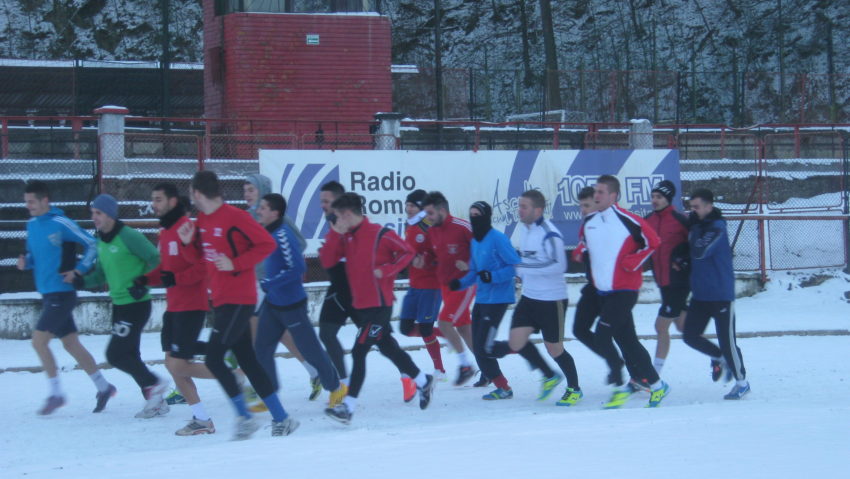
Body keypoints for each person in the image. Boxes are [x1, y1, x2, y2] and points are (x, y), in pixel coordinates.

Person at [177, 170, 298, 439]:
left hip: (240, 299)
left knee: (214, 358)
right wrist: (187, 244)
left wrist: (236, 263)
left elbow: (266, 244)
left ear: (197, 193)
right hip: (220, 299)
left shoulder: (236, 217)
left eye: (190, 192)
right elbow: (200, 259)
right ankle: (282, 418)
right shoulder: (203, 221)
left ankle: (244, 417)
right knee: (248, 361)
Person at [320, 193, 435, 424]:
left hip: (380, 306)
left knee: (359, 351)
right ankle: (423, 381)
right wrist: (335, 233)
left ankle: (348, 408)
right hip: (362, 307)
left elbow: (407, 252)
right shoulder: (347, 237)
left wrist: (388, 270)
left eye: (341, 215)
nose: (338, 219)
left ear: (350, 213)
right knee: (389, 348)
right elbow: (327, 261)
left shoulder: (380, 234)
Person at [17, 180, 115, 415]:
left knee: (38, 341)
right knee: (71, 343)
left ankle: (56, 393)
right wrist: (25, 263)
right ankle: (104, 387)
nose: (28, 205)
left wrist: (80, 270)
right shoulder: (31, 225)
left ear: (45, 201)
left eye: (32, 201)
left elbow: (92, 243)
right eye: (26, 202)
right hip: (48, 294)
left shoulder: (60, 222)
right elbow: (34, 257)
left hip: (62, 293)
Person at [578, 175, 669, 409]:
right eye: (595, 192)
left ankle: (618, 388)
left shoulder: (629, 220)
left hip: (625, 290)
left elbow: (654, 242)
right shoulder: (590, 222)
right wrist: (580, 251)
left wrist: (633, 262)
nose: (596, 196)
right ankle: (657, 386)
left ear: (613, 196)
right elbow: (586, 244)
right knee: (628, 341)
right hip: (603, 293)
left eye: (600, 192)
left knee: (602, 335)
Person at [488, 190, 582, 406]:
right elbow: (526, 261)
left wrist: (523, 267)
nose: (519, 210)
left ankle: (574, 388)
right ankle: (549, 376)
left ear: (537, 210)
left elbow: (559, 265)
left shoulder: (550, 234)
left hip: (552, 300)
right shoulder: (526, 230)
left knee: (554, 349)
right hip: (529, 298)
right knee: (516, 341)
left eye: (524, 207)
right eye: (519, 206)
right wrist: (520, 273)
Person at [253, 193, 348, 408]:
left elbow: (298, 268)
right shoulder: (268, 232)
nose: (259, 211)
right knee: (262, 348)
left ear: (275, 212)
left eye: (264, 208)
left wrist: (271, 282)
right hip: (273, 303)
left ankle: (336, 387)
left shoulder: (283, 235)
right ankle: (270, 396)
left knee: (310, 349)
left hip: (291, 304)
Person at [81, 194, 168, 418]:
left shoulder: (129, 236)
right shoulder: (101, 240)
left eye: (98, 213)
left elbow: (155, 259)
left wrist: (144, 282)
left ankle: (154, 383)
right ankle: (156, 402)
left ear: (110, 214)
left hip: (136, 303)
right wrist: (81, 281)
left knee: (115, 354)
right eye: (93, 213)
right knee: (130, 354)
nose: (94, 217)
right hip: (119, 304)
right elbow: (101, 273)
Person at [145, 182, 217, 435]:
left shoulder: (188, 228)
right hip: (173, 307)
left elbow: (202, 267)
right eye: (153, 199)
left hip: (191, 305)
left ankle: (236, 373)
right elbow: (166, 270)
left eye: (158, 199)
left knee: (178, 365)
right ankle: (202, 419)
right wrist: (143, 280)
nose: (153, 204)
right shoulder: (164, 231)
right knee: (172, 363)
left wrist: (177, 280)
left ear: (172, 202)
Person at [243, 173, 320, 406]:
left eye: (251, 190)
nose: (246, 194)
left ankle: (261, 388)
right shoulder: (245, 217)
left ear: (263, 192)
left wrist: (273, 258)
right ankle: (313, 370)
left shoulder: (279, 220)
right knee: (276, 336)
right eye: (245, 190)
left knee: (257, 338)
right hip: (252, 284)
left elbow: (300, 244)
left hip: (270, 285)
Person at [449, 201, 522, 400]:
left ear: (487, 216)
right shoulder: (475, 241)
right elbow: (475, 271)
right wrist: (460, 284)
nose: (474, 218)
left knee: (484, 347)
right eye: (471, 215)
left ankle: (521, 347)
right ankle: (501, 385)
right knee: (479, 347)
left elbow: (515, 265)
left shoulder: (498, 239)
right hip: (482, 299)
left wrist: (494, 276)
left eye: (477, 215)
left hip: (499, 299)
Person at [683, 188, 750, 400]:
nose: (693, 211)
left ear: (708, 207)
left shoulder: (717, 227)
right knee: (690, 336)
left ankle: (742, 382)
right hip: (700, 294)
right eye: (691, 207)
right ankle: (719, 358)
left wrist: (690, 234)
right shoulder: (696, 225)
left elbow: (699, 251)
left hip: (721, 294)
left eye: (697, 207)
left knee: (727, 341)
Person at [422, 191, 478, 386]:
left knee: (444, 323)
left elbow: (483, 248)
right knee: (463, 328)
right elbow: (432, 254)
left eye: (430, 213)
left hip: (465, 284)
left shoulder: (462, 227)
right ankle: (487, 368)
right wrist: (424, 261)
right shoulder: (432, 230)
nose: (427, 218)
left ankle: (466, 366)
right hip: (446, 285)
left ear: (442, 210)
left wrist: (471, 265)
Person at [398, 189, 445, 401]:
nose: (408, 209)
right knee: (405, 327)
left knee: (425, 328)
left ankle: (439, 369)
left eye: (412, 206)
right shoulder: (411, 227)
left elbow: (441, 253)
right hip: (415, 284)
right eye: (407, 205)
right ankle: (448, 335)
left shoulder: (427, 226)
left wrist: (426, 259)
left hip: (430, 285)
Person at [644, 180, 690, 374]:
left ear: (668, 199)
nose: (654, 200)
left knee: (660, 326)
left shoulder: (680, 220)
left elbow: (695, 245)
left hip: (678, 283)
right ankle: (718, 355)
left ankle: (654, 374)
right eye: (653, 196)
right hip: (662, 282)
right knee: (683, 328)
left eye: (659, 197)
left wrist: (683, 261)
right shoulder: (648, 220)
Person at [316, 181, 357, 384]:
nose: (322, 205)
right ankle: (344, 383)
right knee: (326, 333)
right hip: (339, 287)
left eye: (326, 201)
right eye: (321, 201)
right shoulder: (332, 223)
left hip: (358, 289)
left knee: (380, 338)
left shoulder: (352, 222)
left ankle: (413, 376)